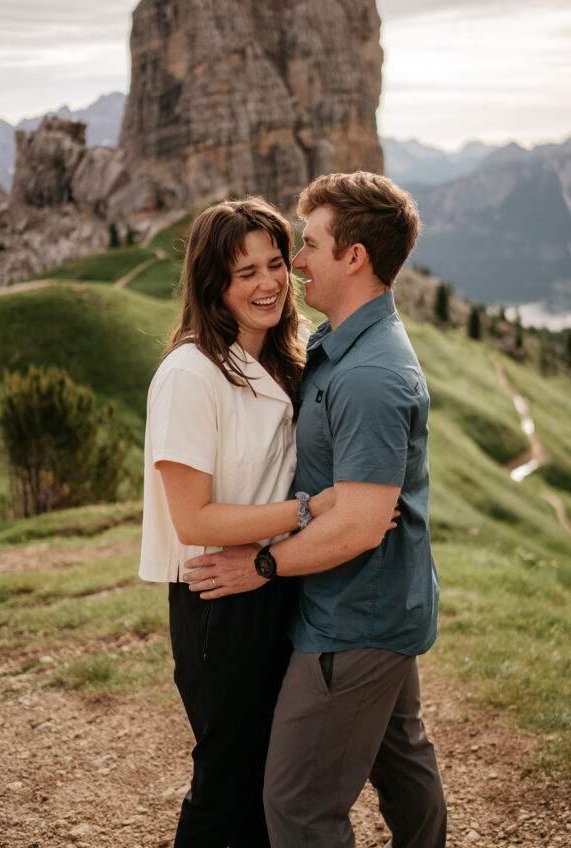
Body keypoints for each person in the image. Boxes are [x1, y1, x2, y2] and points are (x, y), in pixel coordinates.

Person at [185, 172, 448, 848]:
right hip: (382, 607)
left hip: (351, 621)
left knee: (298, 805)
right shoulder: (344, 344)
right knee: (403, 762)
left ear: (354, 256)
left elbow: (360, 524)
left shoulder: (368, 374)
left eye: (308, 246)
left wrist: (262, 565)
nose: (297, 263)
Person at [139, 197, 339, 848]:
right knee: (227, 784)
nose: (268, 283)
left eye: (275, 263)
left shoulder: (287, 357)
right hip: (216, 600)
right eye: (244, 272)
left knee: (270, 783)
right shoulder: (189, 374)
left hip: (275, 583)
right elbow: (192, 516)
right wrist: (308, 511)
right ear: (213, 285)